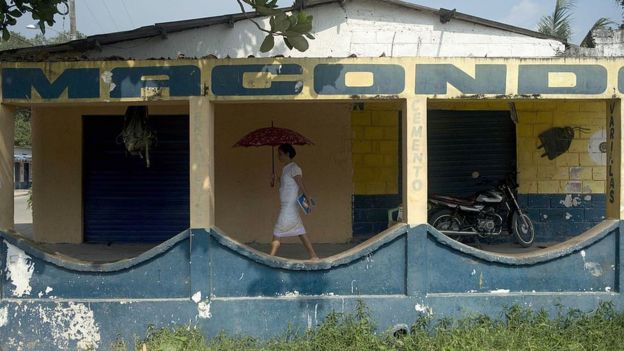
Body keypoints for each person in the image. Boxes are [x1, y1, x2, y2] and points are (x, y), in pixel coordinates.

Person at [271, 144, 319, 260]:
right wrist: (276, 178)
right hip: (286, 204)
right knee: (300, 231)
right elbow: (285, 184)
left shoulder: (294, 168)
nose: (279, 156)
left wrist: (308, 197)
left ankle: (270, 257)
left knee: (278, 231)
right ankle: (313, 256)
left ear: (288, 154)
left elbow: (300, 184)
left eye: (280, 154)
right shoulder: (285, 169)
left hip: (289, 206)